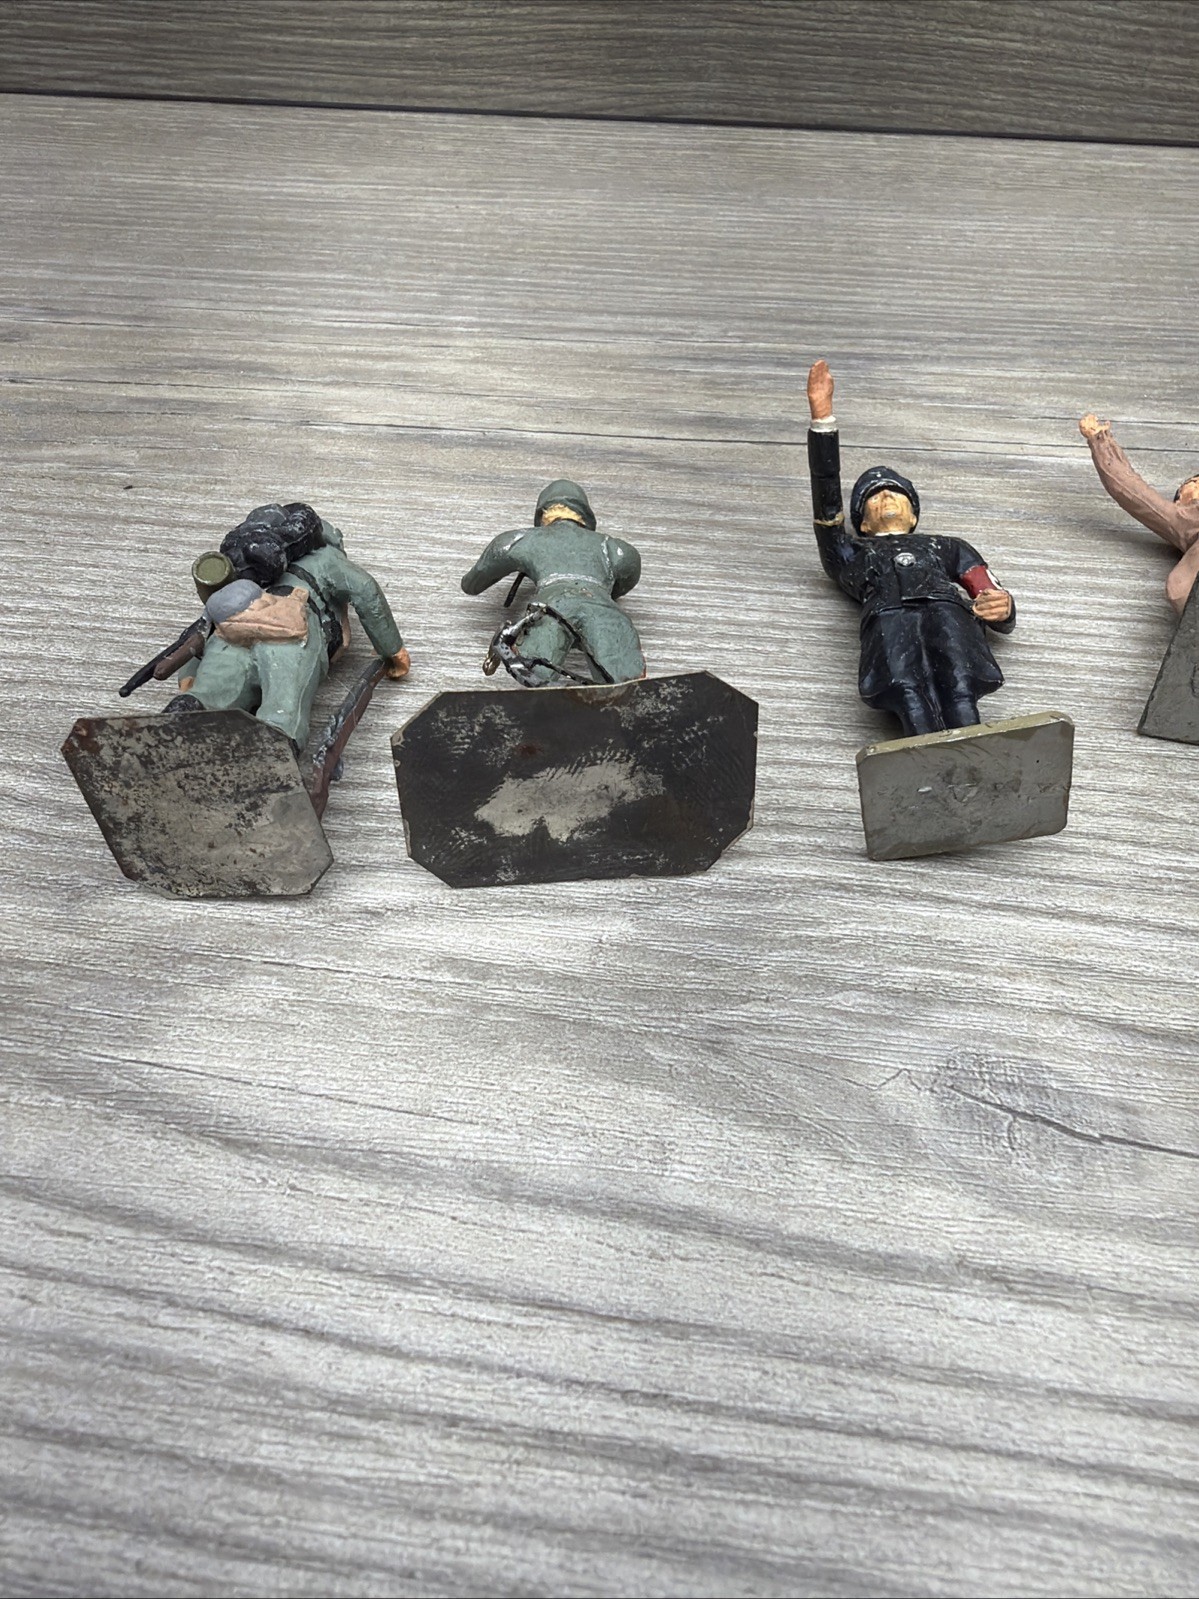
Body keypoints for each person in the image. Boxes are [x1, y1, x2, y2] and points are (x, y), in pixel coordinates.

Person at [807, 360, 1015, 738]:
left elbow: (985, 588)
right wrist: (823, 424)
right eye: (873, 497)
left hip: (948, 613)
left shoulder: (948, 546)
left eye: (896, 493)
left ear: (914, 515)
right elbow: (826, 509)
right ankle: (918, 750)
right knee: (906, 688)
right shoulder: (851, 553)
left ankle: (974, 747)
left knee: (959, 682)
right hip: (888, 618)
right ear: (862, 524)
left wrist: (1001, 607)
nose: (886, 496)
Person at [169, 502, 409, 749]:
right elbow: (366, 591)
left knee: (209, 695)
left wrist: (189, 675)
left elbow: (204, 624)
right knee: (282, 713)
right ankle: (271, 755)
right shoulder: (327, 557)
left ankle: (185, 715)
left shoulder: (241, 567)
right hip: (288, 636)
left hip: (232, 633)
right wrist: (392, 649)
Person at [461, 479, 645, 685]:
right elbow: (627, 575)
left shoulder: (524, 539)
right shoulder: (613, 547)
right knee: (623, 678)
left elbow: (475, 581)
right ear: (585, 515)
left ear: (543, 513)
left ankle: (542, 695)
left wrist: (470, 582)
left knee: (536, 674)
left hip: (551, 608)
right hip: (602, 607)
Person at [1079, 413, 1199, 614]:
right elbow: (1131, 490)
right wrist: (1100, 441)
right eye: (1192, 487)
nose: (1195, 488)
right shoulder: (1184, 520)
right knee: (1180, 587)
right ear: (1181, 502)